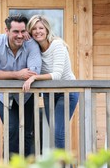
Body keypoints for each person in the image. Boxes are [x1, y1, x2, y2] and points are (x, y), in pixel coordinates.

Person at [0, 14, 42, 158]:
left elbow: (34, 71)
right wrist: (17, 74)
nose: (20, 35)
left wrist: (7, 74)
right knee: (12, 129)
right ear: (7, 31)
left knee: (28, 132)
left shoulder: (31, 44)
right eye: (16, 31)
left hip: (27, 94)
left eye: (23, 31)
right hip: (3, 95)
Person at [23, 14, 79, 149]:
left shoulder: (57, 45)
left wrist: (34, 77)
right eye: (34, 28)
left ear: (47, 30)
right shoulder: (34, 50)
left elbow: (57, 75)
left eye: (41, 28)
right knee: (54, 133)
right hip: (49, 94)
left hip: (67, 92)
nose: (38, 31)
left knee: (58, 133)